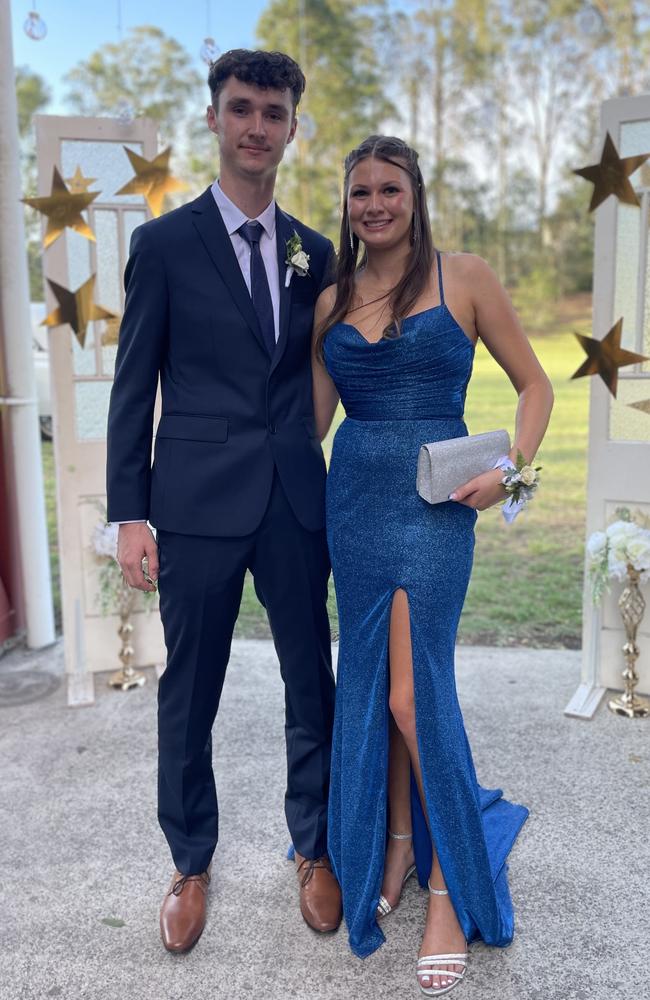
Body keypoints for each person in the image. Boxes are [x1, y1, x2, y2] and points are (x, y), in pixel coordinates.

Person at [106, 49, 342, 953]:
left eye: (273, 113)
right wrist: (132, 514)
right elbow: (134, 390)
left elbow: (319, 371)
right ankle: (190, 859)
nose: (256, 127)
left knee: (306, 684)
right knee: (189, 693)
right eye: (241, 108)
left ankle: (312, 848)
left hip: (293, 500)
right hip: (196, 503)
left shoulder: (313, 251)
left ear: (291, 126)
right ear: (213, 117)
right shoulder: (162, 244)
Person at [310, 135, 554, 994]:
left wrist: (511, 473)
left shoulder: (468, 277)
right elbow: (310, 424)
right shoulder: (332, 296)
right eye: (360, 193)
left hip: (436, 509)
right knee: (375, 690)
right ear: (346, 204)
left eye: (389, 189)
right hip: (355, 510)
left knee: (417, 696)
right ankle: (398, 845)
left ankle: (448, 886)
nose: (374, 205)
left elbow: (536, 387)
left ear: (415, 194)